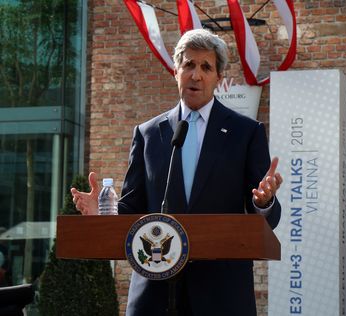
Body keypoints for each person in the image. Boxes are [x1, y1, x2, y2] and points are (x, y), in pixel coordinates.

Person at [71, 29, 282, 316]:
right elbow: (133, 207)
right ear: (175, 70)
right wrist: (104, 214)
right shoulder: (148, 134)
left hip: (221, 293)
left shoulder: (245, 132)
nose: (196, 75)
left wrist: (262, 202)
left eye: (206, 67)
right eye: (189, 65)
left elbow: (267, 215)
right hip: (155, 290)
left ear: (219, 77)